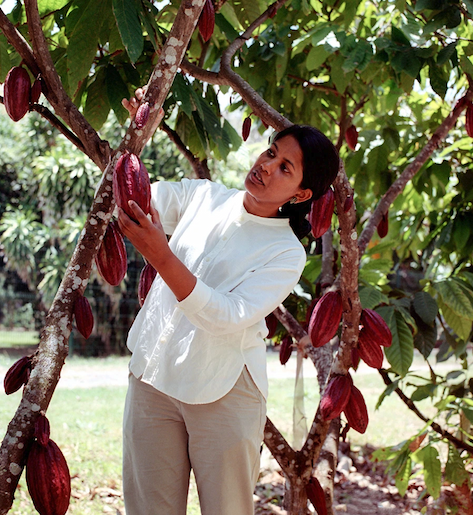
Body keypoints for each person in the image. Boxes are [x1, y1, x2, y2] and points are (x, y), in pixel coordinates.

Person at [118, 89, 339, 515]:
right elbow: (130, 198)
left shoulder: (286, 253)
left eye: (284, 167)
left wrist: (160, 255)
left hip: (223, 389)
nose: (266, 166)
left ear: (300, 195)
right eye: (270, 153)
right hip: (152, 377)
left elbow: (228, 316)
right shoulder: (202, 196)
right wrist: (137, 135)